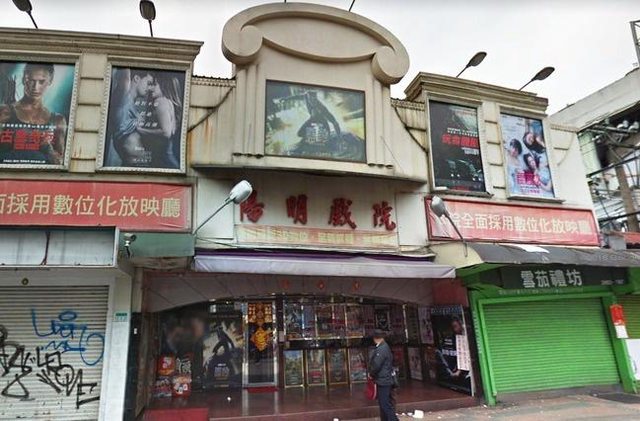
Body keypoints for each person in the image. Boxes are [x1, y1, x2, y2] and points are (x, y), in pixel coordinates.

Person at [0, 63, 66, 164]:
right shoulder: (5, 112)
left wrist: (48, 148)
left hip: (41, 173)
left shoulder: (58, 120)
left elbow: (60, 161)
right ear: (24, 79)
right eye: (31, 80)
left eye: (41, 82)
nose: (35, 87)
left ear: (50, 80)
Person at [109, 68, 155, 166]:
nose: (150, 88)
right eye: (148, 83)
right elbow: (125, 73)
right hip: (131, 164)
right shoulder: (123, 98)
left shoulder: (132, 107)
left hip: (137, 166)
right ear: (136, 78)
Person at [368, 329, 398, 421]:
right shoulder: (384, 347)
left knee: (384, 404)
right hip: (385, 379)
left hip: (383, 380)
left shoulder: (381, 349)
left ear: (375, 338)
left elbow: (376, 365)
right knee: (384, 403)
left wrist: (371, 374)